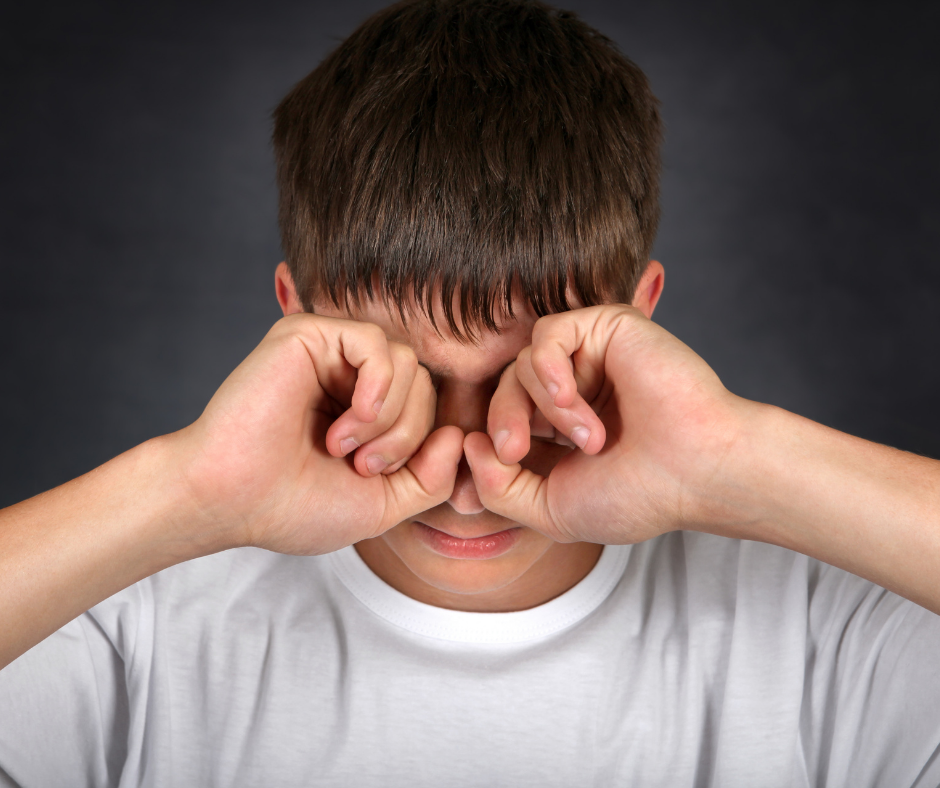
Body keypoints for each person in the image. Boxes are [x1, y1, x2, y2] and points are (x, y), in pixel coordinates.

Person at [2, 0, 940, 785]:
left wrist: (742, 460)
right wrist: (187, 494)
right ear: (292, 327)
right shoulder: (128, 616)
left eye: (531, 383)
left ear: (641, 329)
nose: (463, 480)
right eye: (393, 383)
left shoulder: (826, 628)